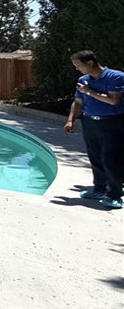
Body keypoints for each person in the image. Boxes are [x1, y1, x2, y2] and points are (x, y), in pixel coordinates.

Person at [64, 50, 124, 209]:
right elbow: (78, 102)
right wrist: (70, 120)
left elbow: (113, 101)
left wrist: (89, 91)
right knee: (95, 157)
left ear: (90, 63)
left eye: (78, 65)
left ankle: (115, 195)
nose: (77, 69)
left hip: (111, 123)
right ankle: (99, 189)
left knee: (111, 159)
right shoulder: (83, 80)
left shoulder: (115, 77)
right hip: (89, 122)